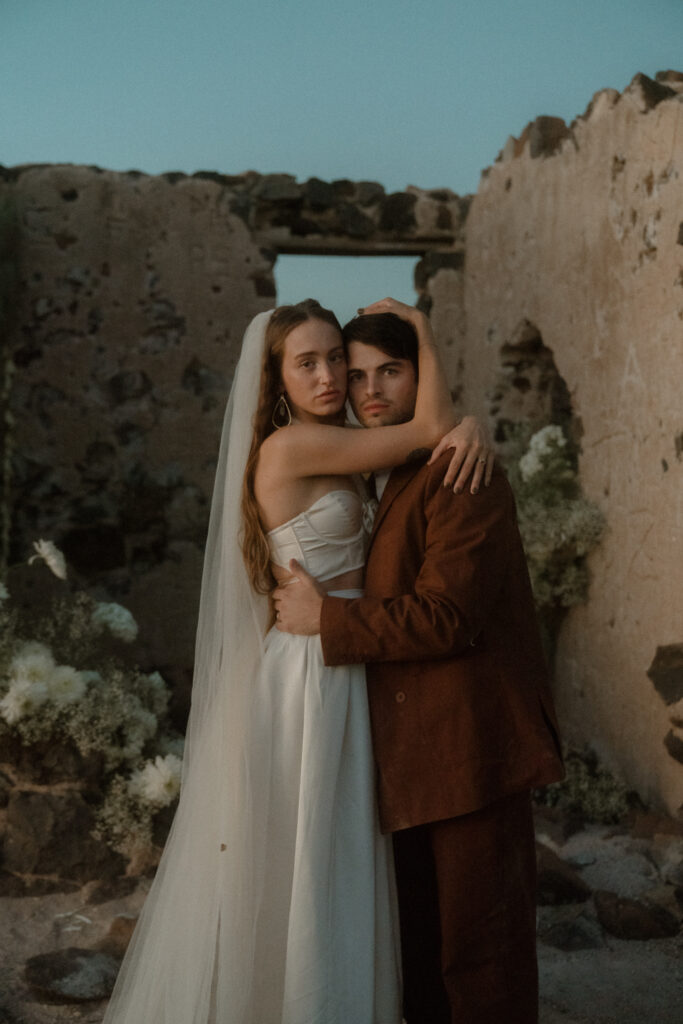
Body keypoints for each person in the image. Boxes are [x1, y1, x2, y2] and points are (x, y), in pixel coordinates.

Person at [102, 297, 493, 1024]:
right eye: (305, 363)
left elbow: (426, 440)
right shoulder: (290, 448)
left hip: (345, 657)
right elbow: (429, 429)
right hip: (311, 671)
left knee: (333, 853)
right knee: (315, 855)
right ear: (276, 379)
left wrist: (467, 427)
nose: (329, 376)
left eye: (335, 360)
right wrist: (428, 334)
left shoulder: (339, 441)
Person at [273, 309, 565, 1024]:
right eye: (357, 372)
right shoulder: (376, 464)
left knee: (480, 957)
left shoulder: (459, 474)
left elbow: (446, 616)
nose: (367, 389)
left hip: (469, 750)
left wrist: (327, 620)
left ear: (419, 377)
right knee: (421, 958)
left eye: (390, 372)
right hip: (401, 755)